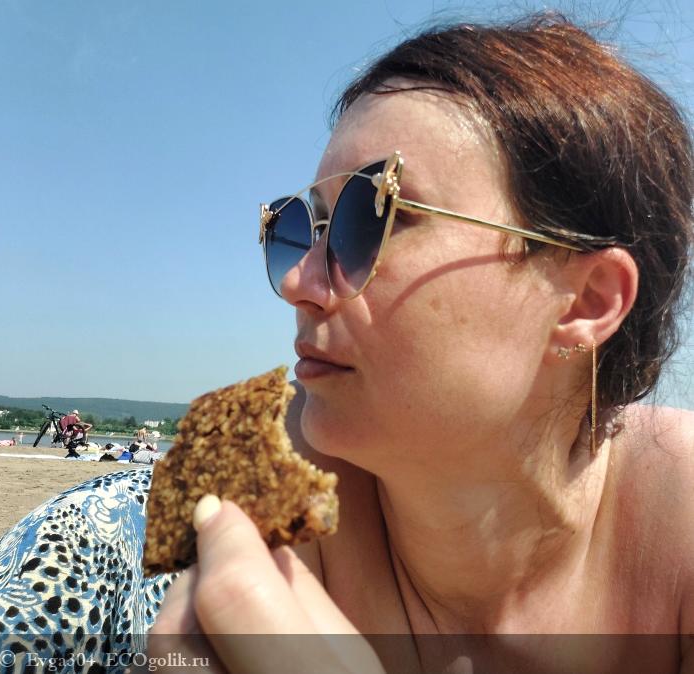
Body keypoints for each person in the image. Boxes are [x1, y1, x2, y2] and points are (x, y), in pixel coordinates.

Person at [147, 14, 694, 674]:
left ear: (586, 301)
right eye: (300, 227)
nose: (297, 282)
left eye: (373, 215)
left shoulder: (681, 526)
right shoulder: (277, 497)